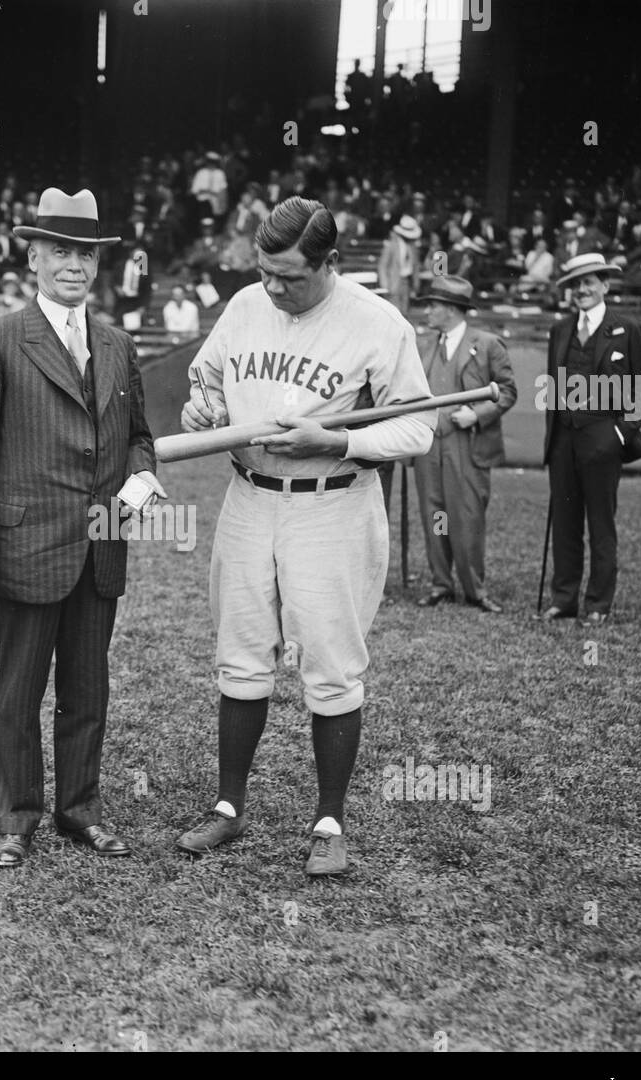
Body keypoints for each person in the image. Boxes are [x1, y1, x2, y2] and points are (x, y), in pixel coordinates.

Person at [173, 197, 434, 876]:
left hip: (332, 502)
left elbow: (417, 428)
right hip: (249, 497)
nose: (274, 288)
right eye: (265, 272)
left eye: (290, 276)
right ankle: (228, 808)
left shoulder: (377, 322)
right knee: (240, 651)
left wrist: (339, 436)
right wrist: (203, 404)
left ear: (329, 263)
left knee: (330, 661)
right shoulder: (244, 305)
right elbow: (205, 380)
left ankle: (329, 821)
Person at [0, 187, 163, 868]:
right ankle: (15, 817)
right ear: (33, 256)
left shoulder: (118, 344)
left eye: (85, 253)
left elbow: (140, 438)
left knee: (88, 689)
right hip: (25, 547)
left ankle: (81, 809)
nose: (74, 264)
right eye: (60, 250)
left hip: (100, 544)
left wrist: (141, 480)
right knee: (17, 693)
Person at [540, 253, 641, 625]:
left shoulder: (627, 329)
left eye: (590, 281)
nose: (581, 289)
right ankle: (564, 598)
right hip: (564, 442)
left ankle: (598, 604)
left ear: (606, 285)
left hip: (604, 439)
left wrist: (620, 434)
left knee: (601, 526)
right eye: (575, 283)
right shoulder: (560, 330)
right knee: (565, 523)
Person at [410, 276, 516, 612]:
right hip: (430, 448)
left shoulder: (487, 344)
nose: (427, 311)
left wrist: (478, 413)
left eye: (434, 305)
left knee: (467, 517)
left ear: (454, 310)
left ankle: (474, 589)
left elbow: (508, 391)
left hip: (467, 446)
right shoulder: (424, 346)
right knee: (435, 514)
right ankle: (441, 583)